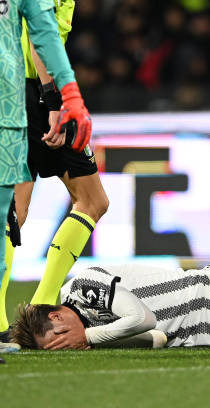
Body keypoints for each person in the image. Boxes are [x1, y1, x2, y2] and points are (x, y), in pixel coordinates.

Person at [0, 0, 92, 351]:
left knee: (14, 208)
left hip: (17, 89)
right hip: (35, 91)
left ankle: (10, 323)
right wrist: (55, 99)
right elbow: (41, 35)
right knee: (92, 200)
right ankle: (40, 309)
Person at [10, 262, 210, 349]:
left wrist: (89, 335)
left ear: (56, 316)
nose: (68, 346)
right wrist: (100, 340)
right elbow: (156, 338)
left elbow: (142, 318)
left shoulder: (80, 288)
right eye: (58, 348)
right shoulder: (100, 338)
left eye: (60, 339)